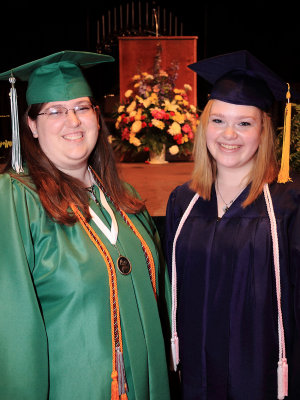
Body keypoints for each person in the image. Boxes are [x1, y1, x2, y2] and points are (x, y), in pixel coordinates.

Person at [0, 51, 171, 400]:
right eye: (55, 111)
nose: (73, 121)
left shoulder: (125, 199)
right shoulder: (16, 202)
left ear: (97, 116)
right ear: (31, 124)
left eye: (81, 107)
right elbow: (11, 327)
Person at [165, 50, 300, 400]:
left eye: (244, 123)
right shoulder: (183, 200)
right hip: (196, 374)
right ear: (203, 126)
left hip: (261, 376)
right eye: (218, 120)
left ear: (263, 130)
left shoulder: (288, 204)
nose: (230, 135)